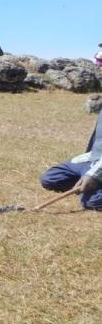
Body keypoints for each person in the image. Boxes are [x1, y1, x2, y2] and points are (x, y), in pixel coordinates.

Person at [39, 50, 102, 210]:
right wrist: (88, 162)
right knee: (50, 179)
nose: (97, 59)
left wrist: (94, 174)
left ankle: (91, 188)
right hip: (94, 160)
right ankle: (88, 184)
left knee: (91, 201)